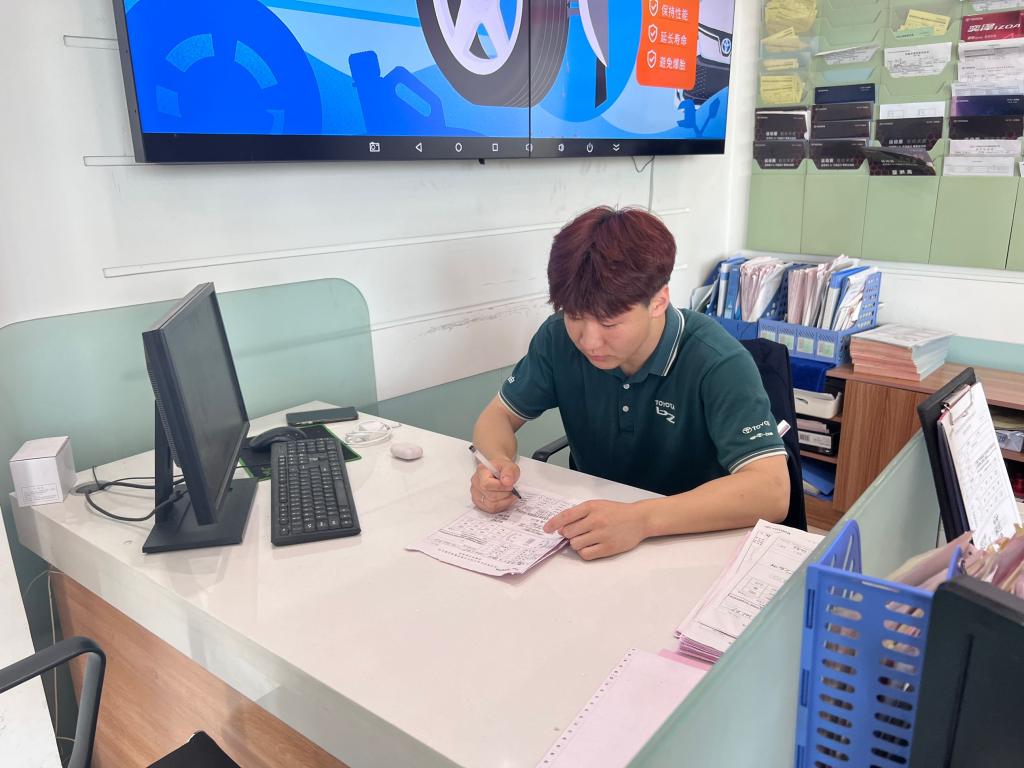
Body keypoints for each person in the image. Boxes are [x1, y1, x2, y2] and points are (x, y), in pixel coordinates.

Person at [469, 206, 790, 560]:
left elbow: (772, 491)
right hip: (596, 535)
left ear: (659, 302)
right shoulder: (557, 338)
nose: (589, 341)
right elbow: (497, 417)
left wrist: (641, 519)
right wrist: (495, 466)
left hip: (692, 542)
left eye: (609, 323)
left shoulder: (716, 360)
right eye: (575, 316)